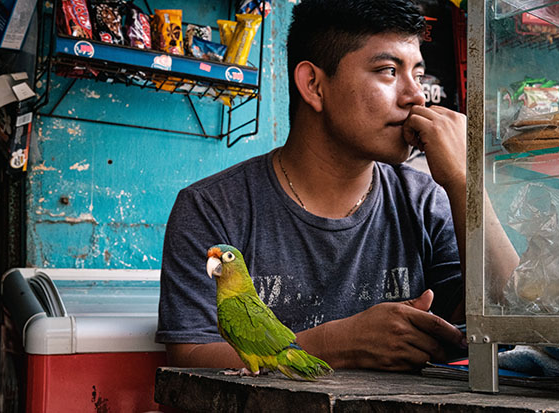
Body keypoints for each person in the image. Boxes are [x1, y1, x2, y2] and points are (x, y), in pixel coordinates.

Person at [156, 0, 517, 372]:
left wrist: (465, 183)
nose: (416, 97)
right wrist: (338, 343)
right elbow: (190, 359)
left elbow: (513, 321)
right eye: (389, 71)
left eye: (418, 75)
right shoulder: (213, 208)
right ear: (313, 85)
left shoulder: (427, 202)